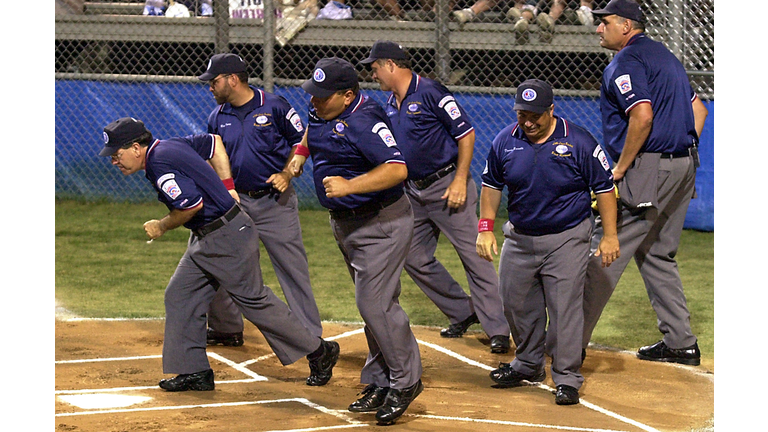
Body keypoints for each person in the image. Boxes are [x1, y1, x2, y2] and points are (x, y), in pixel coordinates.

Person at [97, 117, 339, 392]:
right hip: (208, 236)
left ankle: (320, 351)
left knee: (254, 301)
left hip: (226, 238)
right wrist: (228, 186)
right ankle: (195, 371)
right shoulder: (169, 146)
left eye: (117, 154)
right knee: (180, 294)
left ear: (137, 148)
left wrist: (161, 226)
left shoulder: (159, 164)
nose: (114, 161)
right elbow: (213, 143)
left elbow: (191, 206)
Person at [288, 57, 423, 426]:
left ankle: (405, 381)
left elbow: (397, 169)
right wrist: (300, 156)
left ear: (348, 96)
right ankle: (380, 380)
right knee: (376, 303)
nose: (314, 102)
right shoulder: (322, 110)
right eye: (313, 95)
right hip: (346, 224)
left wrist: (350, 186)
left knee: (374, 303)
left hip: (382, 222)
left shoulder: (366, 121)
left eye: (323, 96)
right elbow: (311, 132)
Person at [360, 40, 511, 354]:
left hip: (447, 186)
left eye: (375, 68)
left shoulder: (431, 92)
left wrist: (459, 180)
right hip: (413, 193)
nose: (373, 75)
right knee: (412, 256)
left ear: (390, 64)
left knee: (475, 258)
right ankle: (462, 310)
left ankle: (498, 328)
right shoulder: (390, 101)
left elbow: (465, 133)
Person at [582, 0, 710, 366]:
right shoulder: (665, 56)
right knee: (656, 253)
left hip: (647, 167)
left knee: (604, 250)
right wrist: (680, 154)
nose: (598, 29)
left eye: (604, 23)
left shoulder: (625, 61)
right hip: (684, 165)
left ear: (626, 25)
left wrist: (622, 168)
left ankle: (565, 342)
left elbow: (642, 116)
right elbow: (699, 111)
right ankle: (680, 342)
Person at [476, 79, 619, 405]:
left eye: (535, 115)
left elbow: (605, 189)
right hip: (521, 237)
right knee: (514, 302)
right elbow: (491, 186)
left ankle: (567, 377)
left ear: (551, 110)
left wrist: (610, 236)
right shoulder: (504, 141)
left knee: (564, 308)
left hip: (567, 237)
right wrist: (485, 227)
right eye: (522, 114)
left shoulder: (579, 141)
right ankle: (528, 364)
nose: (527, 122)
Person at [197, 53, 324, 347]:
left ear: (232, 79)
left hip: (274, 202)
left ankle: (312, 340)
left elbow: (301, 140)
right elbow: (216, 156)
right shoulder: (217, 117)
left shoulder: (275, 106)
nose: (210, 88)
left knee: (292, 269)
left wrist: (287, 174)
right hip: (236, 204)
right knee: (220, 261)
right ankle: (226, 327)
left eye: (214, 81)